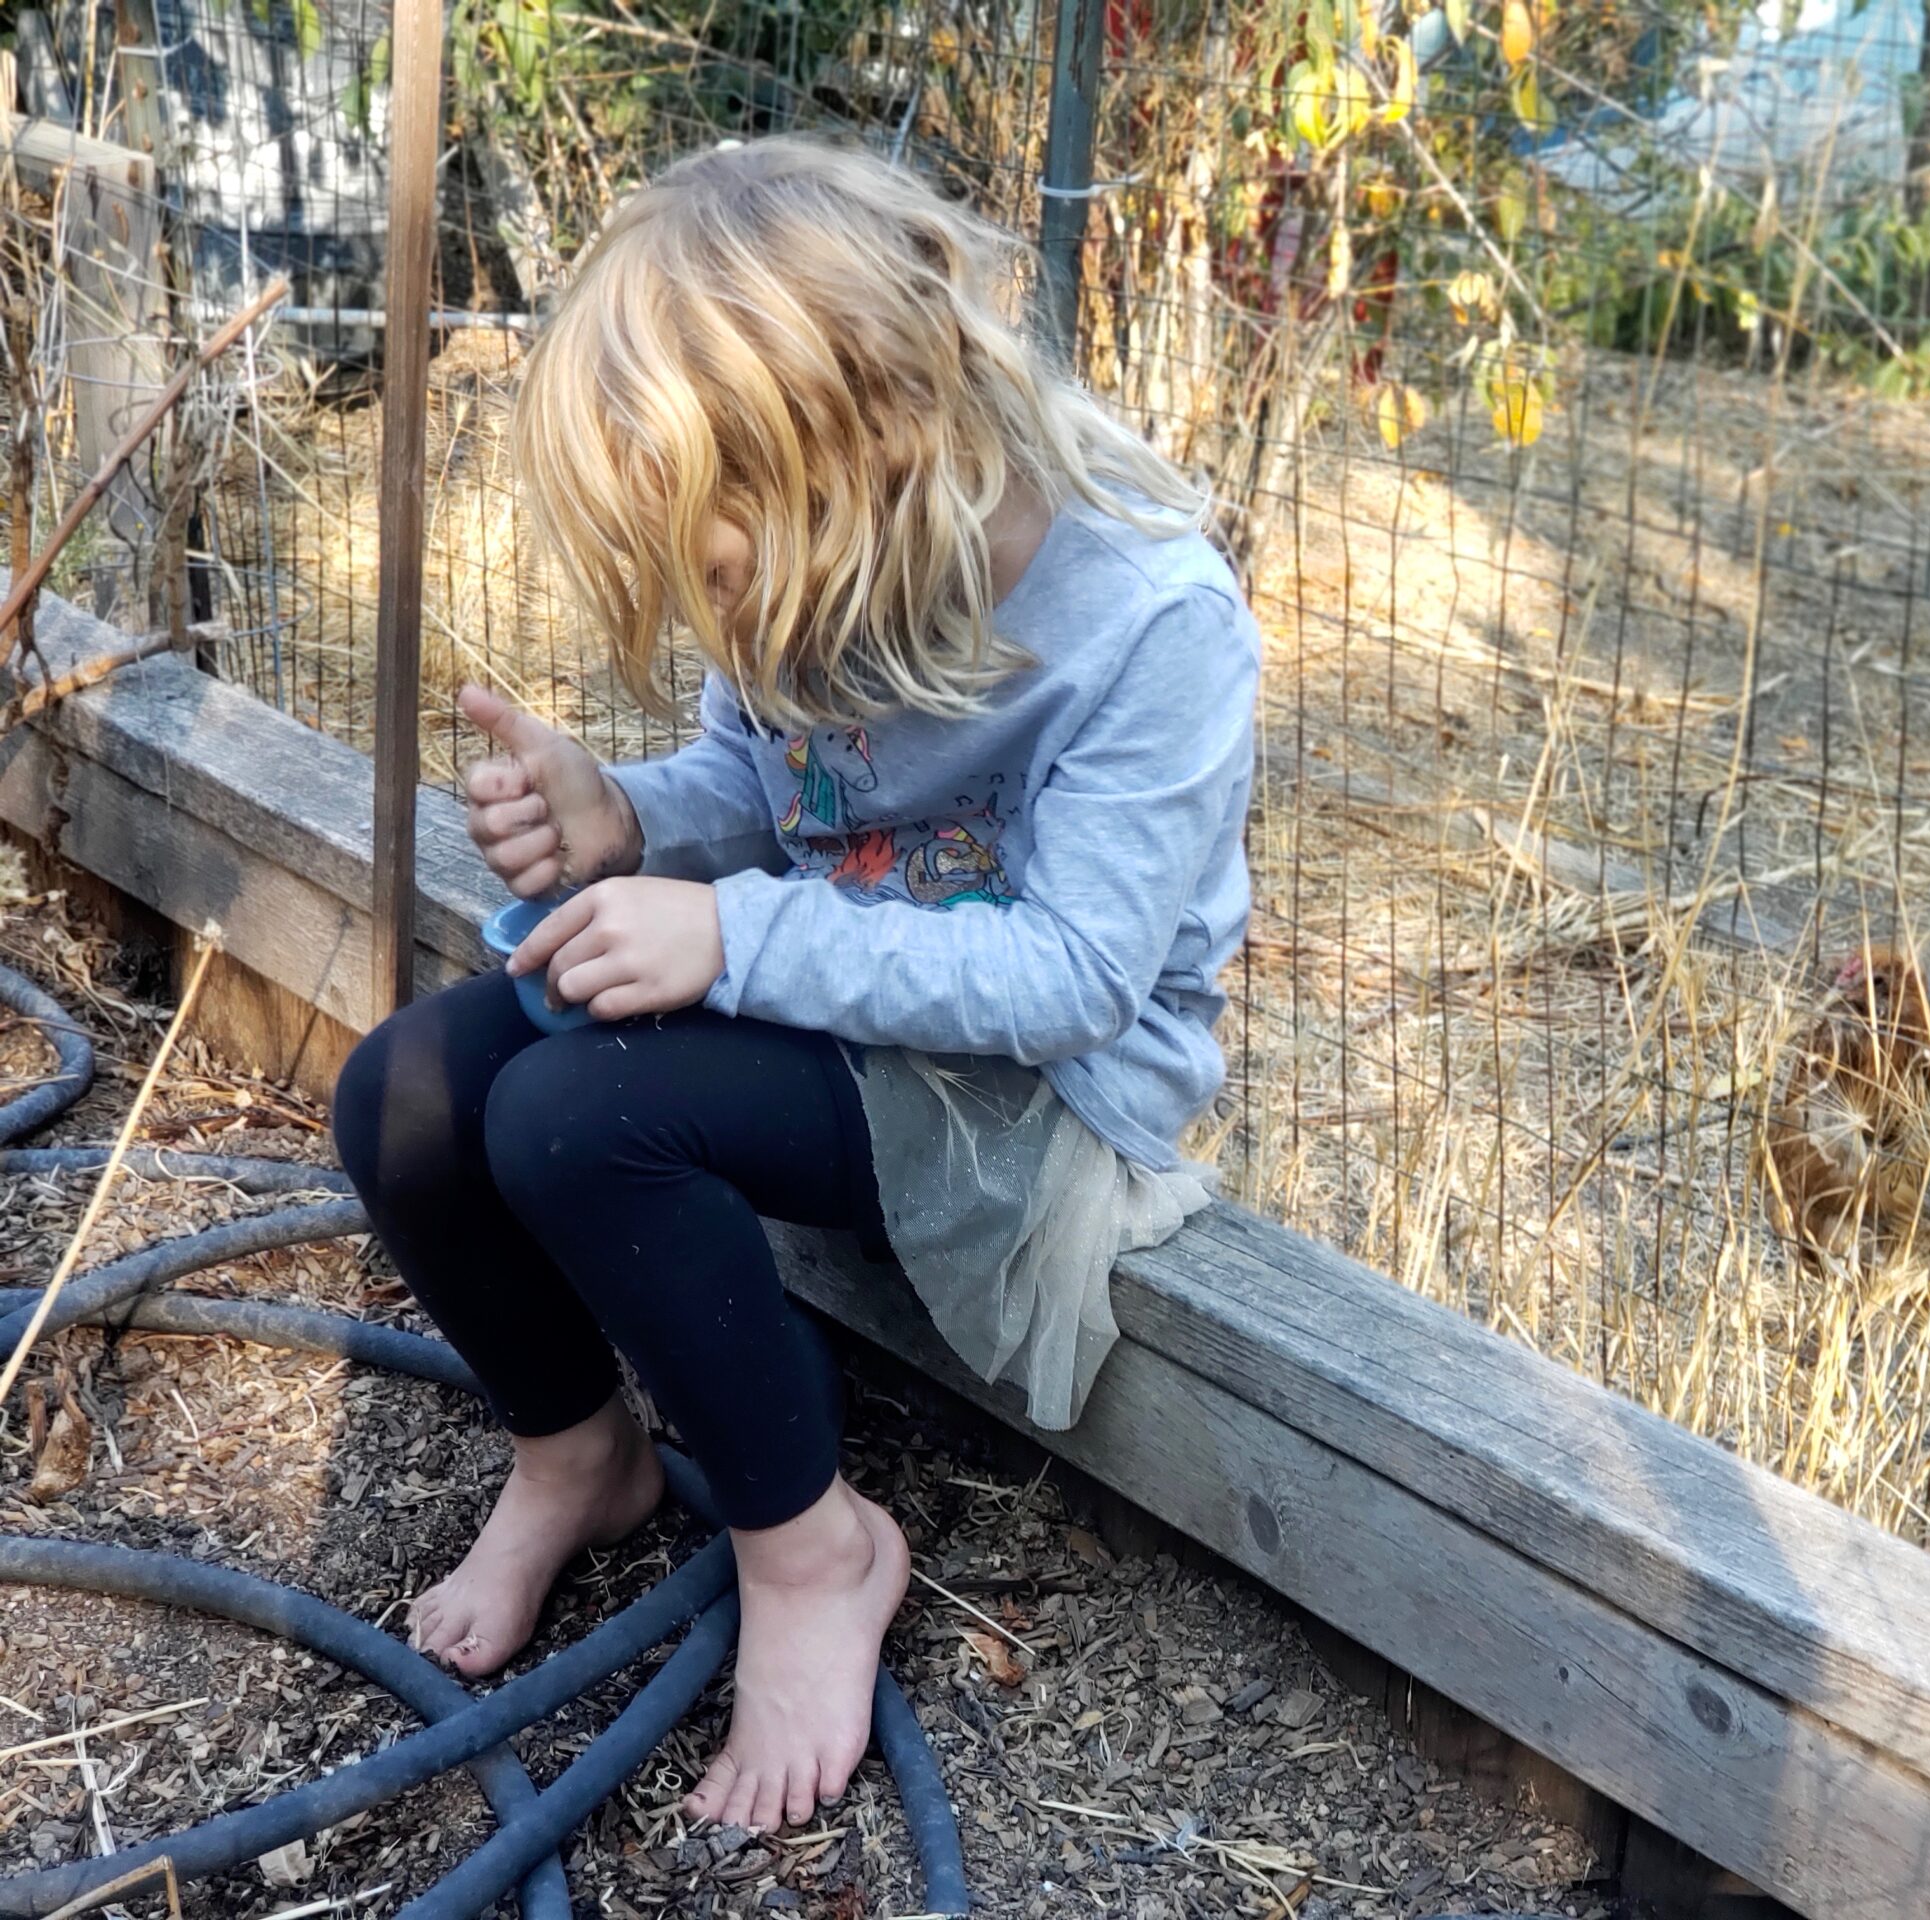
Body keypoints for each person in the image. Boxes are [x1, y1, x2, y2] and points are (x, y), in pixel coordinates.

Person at [329, 135, 1257, 1836]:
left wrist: (734, 935)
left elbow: (1073, 979)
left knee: (578, 1120)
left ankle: (812, 1549)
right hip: (842, 992)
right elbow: (768, 793)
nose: (717, 604)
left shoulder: (1151, 620)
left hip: (1037, 1103)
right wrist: (632, 816)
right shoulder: (811, 540)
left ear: (870, 437)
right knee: (402, 1094)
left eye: (722, 558)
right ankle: (578, 1452)